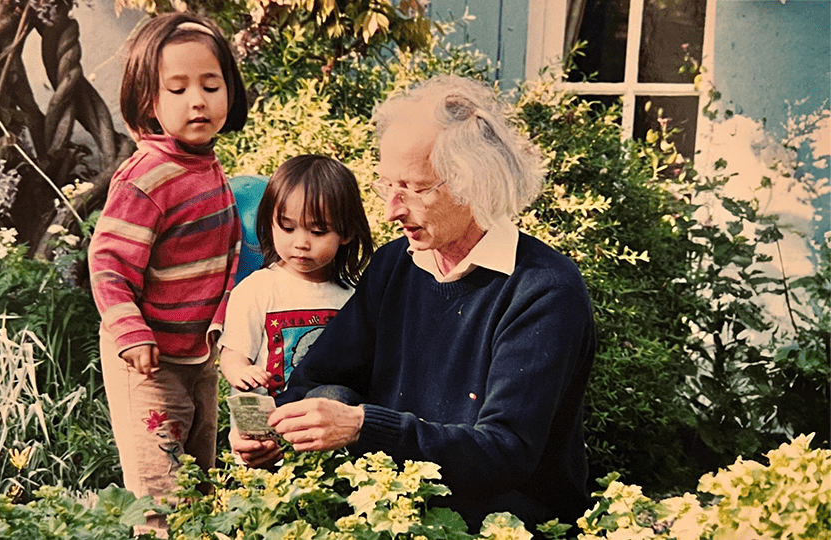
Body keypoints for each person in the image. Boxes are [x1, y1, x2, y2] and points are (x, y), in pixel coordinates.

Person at [232, 75, 596, 531]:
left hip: (505, 525)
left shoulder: (544, 291)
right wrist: (276, 428)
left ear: (473, 184)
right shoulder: (395, 265)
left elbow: (505, 452)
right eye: (388, 186)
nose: (391, 210)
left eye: (416, 188)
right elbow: (321, 377)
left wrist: (363, 426)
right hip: (392, 517)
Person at [87, 12, 248, 537]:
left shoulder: (204, 162)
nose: (196, 100)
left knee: (200, 479)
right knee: (161, 496)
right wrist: (130, 333)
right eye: (176, 89)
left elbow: (221, 259)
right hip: (148, 363)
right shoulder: (147, 177)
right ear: (148, 100)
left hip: (197, 354)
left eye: (210, 84)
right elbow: (108, 262)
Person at [219, 154, 373, 396]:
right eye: (288, 228)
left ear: (346, 232)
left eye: (318, 231)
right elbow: (233, 352)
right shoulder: (257, 289)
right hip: (264, 424)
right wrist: (240, 371)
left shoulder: (351, 298)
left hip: (322, 422)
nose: (301, 243)